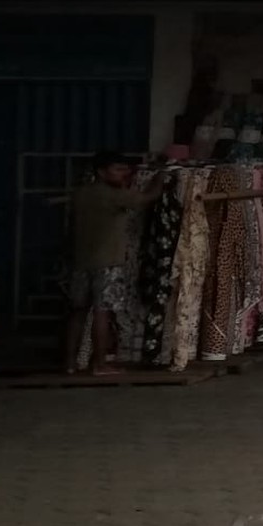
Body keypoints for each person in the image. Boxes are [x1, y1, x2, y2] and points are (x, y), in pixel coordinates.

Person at [69, 150, 165, 376]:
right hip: (108, 262)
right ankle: (100, 364)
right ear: (102, 173)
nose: (124, 173)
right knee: (103, 312)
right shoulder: (113, 195)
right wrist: (161, 177)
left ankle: (70, 363)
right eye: (118, 169)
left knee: (77, 312)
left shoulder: (81, 193)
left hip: (80, 261)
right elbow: (147, 198)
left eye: (125, 169)